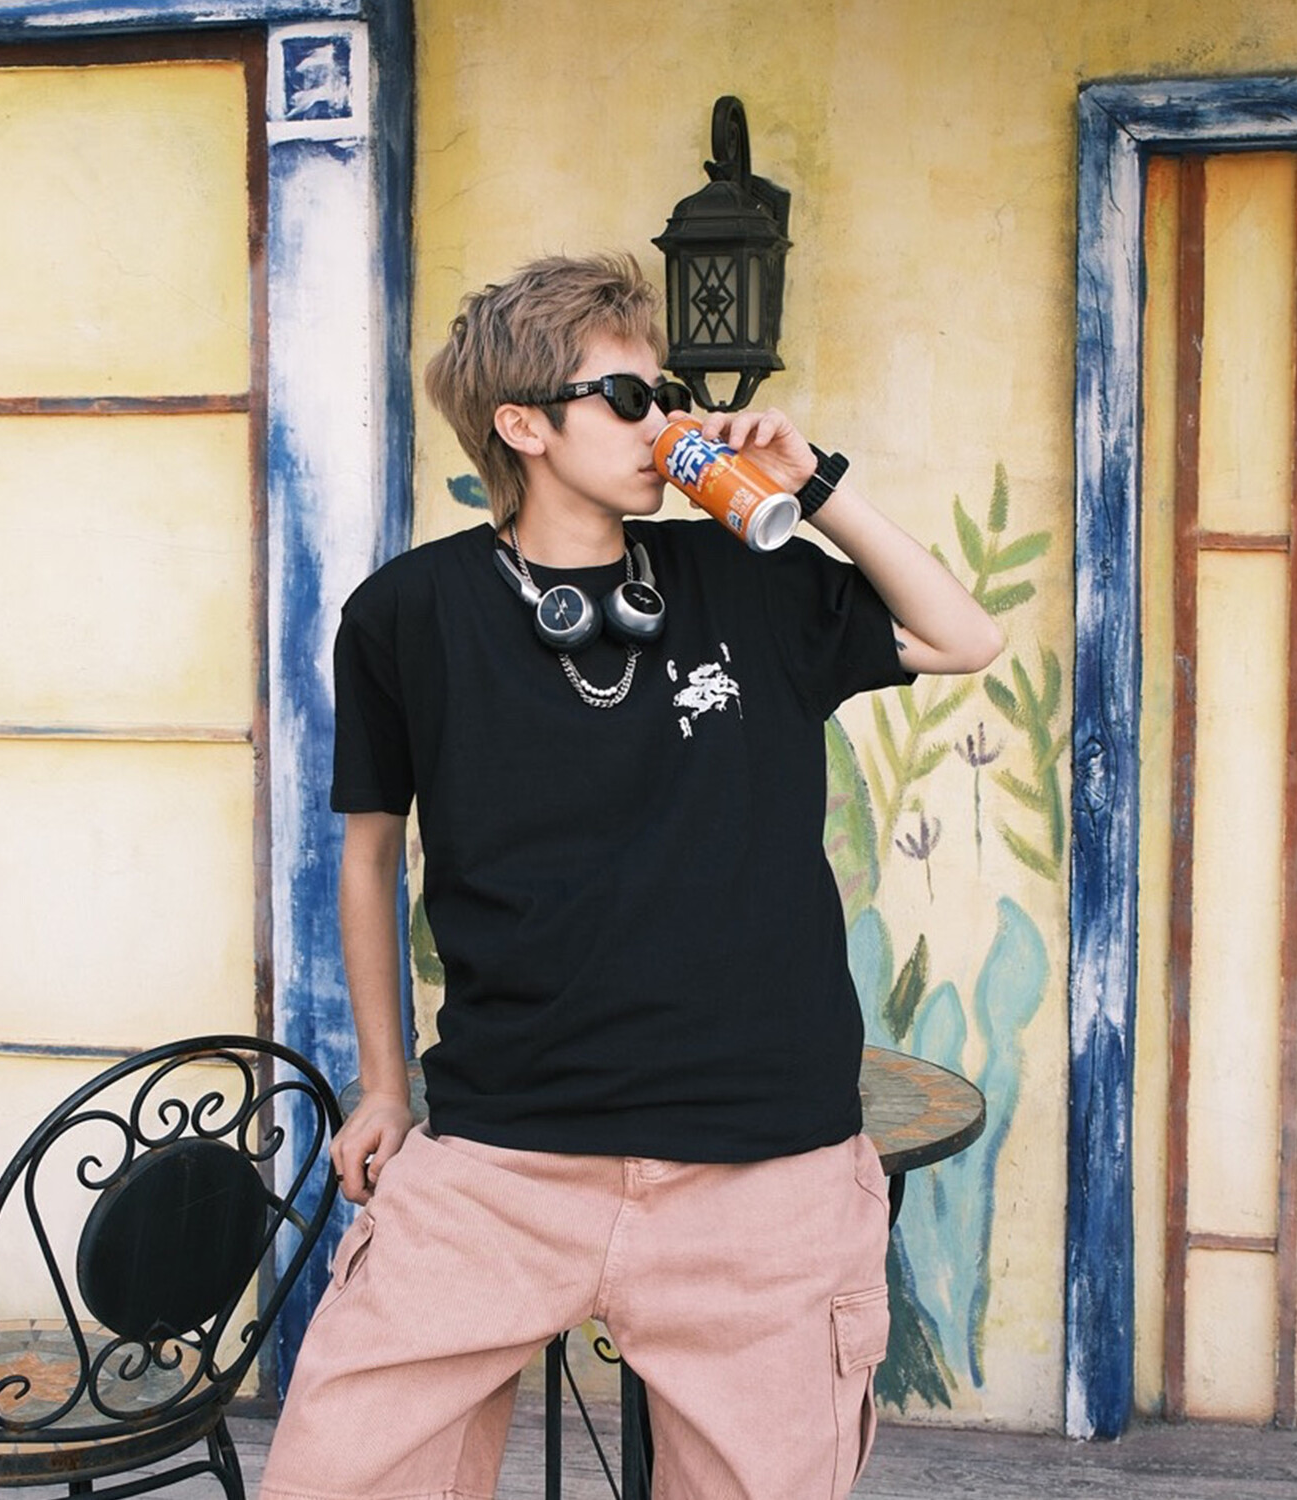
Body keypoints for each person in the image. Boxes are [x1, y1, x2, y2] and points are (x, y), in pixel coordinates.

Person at [259, 252, 1002, 1500]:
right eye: (626, 397)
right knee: (335, 1471)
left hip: (760, 1169)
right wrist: (384, 1087)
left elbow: (962, 634)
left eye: (667, 394)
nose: (664, 421)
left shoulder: (745, 577)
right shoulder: (407, 613)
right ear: (523, 425)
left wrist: (814, 486)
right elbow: (370, 854)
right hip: (502, 1156)